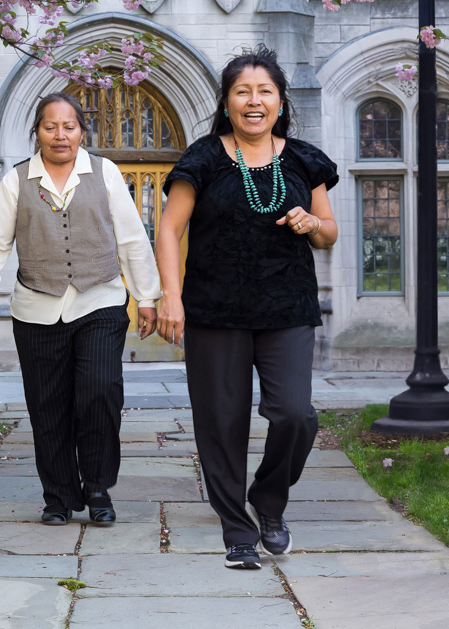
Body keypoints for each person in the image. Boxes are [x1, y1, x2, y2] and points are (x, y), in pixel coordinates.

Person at [155, 46, 339, 569]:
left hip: (288, 308)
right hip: (215, 310)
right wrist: (172, 295)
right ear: (228, 101)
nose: (254, 101)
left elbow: (329, 233)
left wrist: (312, 224)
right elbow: (169, 229)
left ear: (280, 102)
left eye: (265, 92)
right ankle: (237, 530)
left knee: (295, 415)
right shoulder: (204, 158)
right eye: (243, 91)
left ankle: (269, 500)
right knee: (221, 423)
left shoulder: (305, 159)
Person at [0, 92, 161, 527]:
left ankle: (97, 488)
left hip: (101, 299)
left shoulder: (106, 173)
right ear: (37, 132)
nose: (60, 135)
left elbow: (132, 238)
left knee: (99, 392)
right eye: (50, 126)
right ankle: (57, 496)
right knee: (47, 405)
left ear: (81, 131)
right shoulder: (18, 179)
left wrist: (147, 296)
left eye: (69, 126)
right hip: (36, 308)